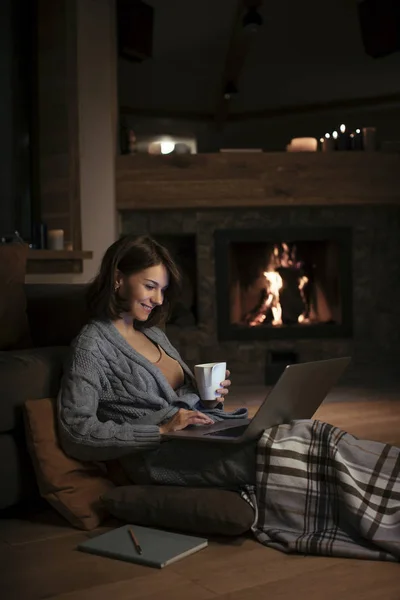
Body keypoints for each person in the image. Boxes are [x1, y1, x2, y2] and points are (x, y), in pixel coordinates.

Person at [58, 235, 256, 488]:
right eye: (150, 286)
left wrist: (210, 399)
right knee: (280, 453)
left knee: (298, 432)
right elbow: (76, 432)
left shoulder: (153, 333)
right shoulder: (91, 346)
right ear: (118, 278)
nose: (159, 300)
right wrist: (161, 430)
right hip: (161, 457)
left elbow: (180, 400)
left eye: (162, 290)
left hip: (199, 438)